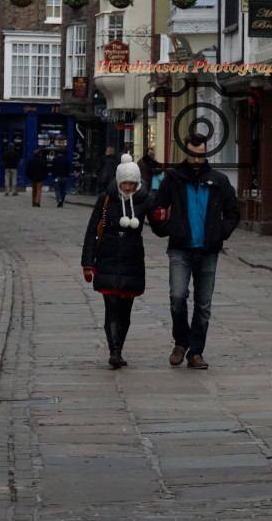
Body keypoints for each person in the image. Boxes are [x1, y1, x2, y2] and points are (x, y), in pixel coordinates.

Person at [151, 135, 240, 370]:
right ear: (186, 152)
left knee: (203, 305)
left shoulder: (218, 180)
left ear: (206, 152)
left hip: (208, 250)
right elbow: (157, 208)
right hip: (180, 249)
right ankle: (181, 341)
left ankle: (195, 353)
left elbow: (233, 212)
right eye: (192, 154)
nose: (196, 159)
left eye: (200, 154)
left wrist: (221, 233)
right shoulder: (174, 179)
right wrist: (167, 228)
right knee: (177, 297)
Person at [81, 154, 153, 369]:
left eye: (132, 183)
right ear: (119, 181)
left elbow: (158, 225)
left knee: (126, 309)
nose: (128, 187)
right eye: (125, 183)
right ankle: (115, 352)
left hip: (132, 260)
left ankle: (118, 347)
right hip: (108, 257)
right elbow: (93, 231)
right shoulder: (106, 198)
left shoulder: (145, 199)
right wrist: (87, 262)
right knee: (111, 305)